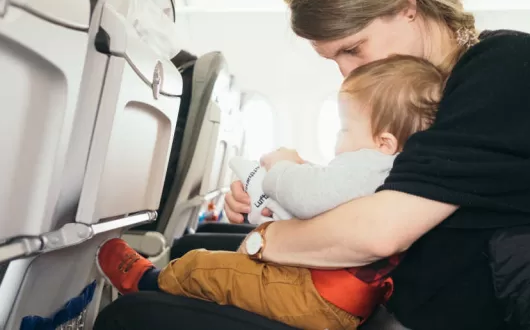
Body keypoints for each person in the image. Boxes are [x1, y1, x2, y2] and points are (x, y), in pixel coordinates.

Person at [94, 0, 530, 329]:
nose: (348, 71)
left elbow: (380, 233)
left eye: (353, 48)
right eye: (333, 58)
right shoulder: (426, 87)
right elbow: (386, 185)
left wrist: (269, 237)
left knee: (135, 318)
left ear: (408, 5)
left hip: (428, 315)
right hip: (378, 302)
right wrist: (275, 191)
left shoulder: (505, 66)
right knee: (168, 283)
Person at [96, 55, 446, 330]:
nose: (339, 139)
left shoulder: (371, 163)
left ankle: (149, 281)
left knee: (209, 266)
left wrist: (282, 167)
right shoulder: (392, 169)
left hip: (314, 296)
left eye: (344, 128)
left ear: (384, 141)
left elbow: (310, 196)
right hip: (332, 299)